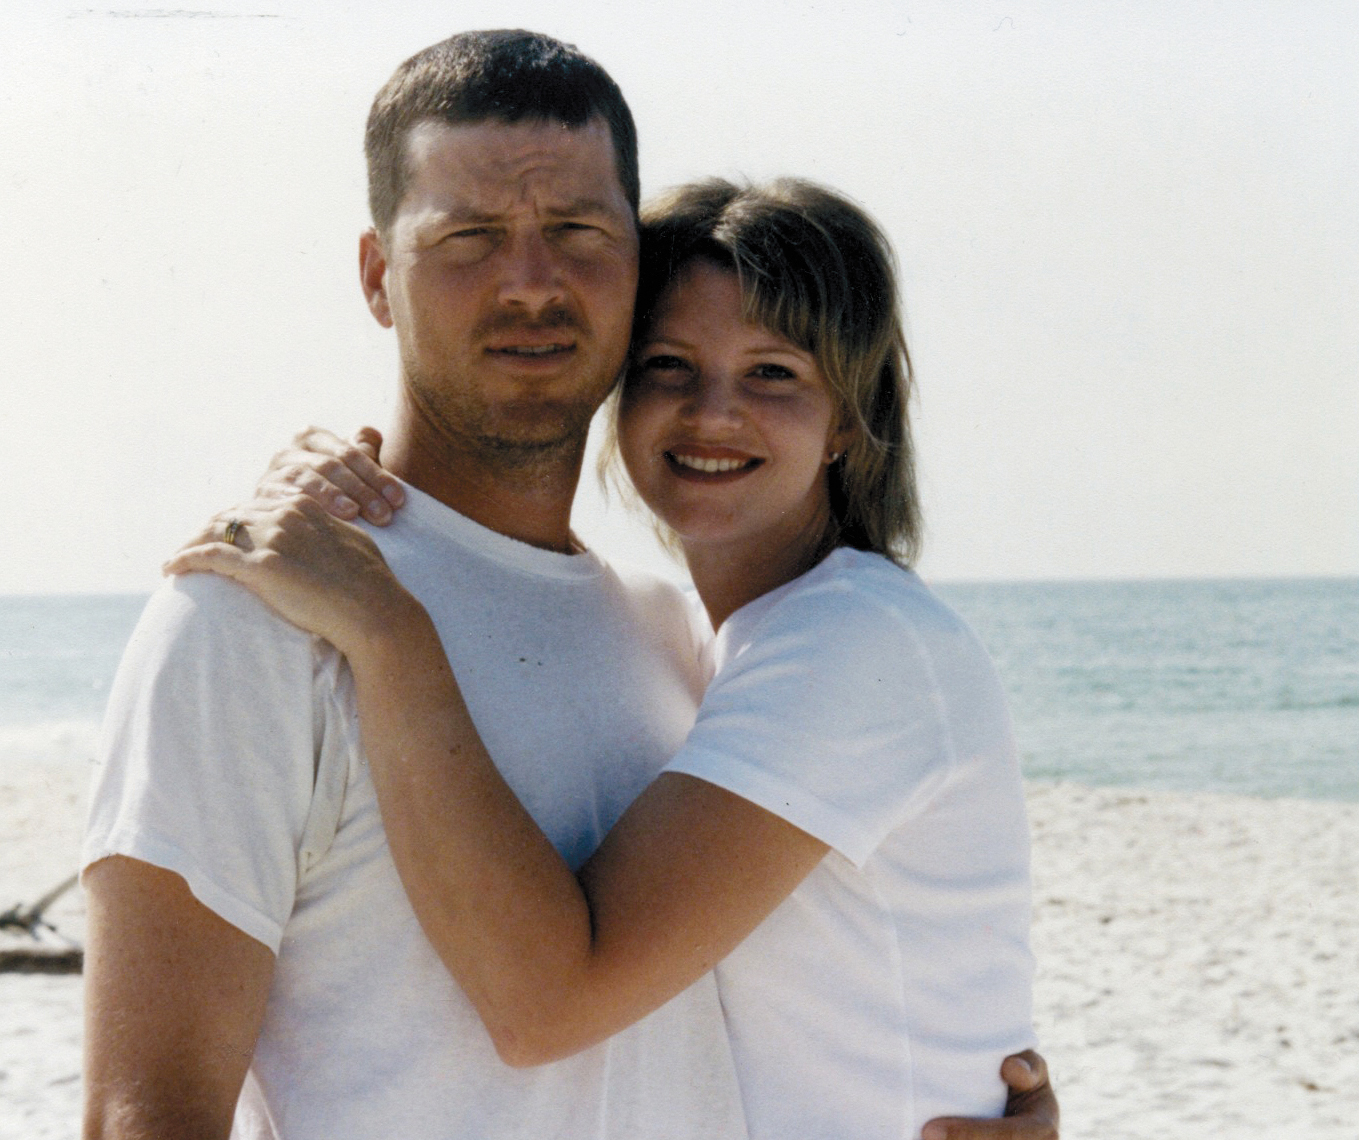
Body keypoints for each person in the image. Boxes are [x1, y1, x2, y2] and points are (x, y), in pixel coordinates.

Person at [82, 27, 1057, 1140]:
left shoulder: (681, 644)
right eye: (471, 236)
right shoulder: (252, 618)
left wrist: (982, 1094)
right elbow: (141, 1113)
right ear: (375, 277)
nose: (531, 282)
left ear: (631, 273)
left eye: (580, 232)